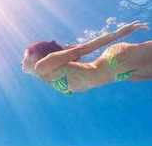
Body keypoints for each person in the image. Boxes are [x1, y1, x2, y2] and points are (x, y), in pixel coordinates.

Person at [22, 21, 151, 95]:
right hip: (120, 73)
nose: (22, 61)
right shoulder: (46, 76)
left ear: (39, 55)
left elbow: (82, 49)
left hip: (115, 61)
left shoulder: (42, 66)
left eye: (26, 55)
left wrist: (118, 33)